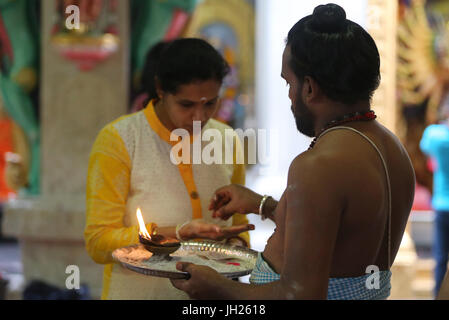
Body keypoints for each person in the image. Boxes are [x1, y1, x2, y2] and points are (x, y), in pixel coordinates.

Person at [171, 4, 416, 300]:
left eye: (289, 82)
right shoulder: (393, 150)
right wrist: (263, 205)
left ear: (309, 87)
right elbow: (335, 230)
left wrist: (215, 286)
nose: (289, 95)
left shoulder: (318, 165)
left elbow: (299, 296)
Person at [85, 38, 254, 300]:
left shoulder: (227, 139)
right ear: (161, 90)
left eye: (210, 103)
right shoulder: (120, 140)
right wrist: (173, 233)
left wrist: (235, 246)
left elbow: (239, 227)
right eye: (187, 105)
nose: (200, 117)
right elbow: (98, 243)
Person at [420, 102, 449, 298]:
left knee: (440, 258)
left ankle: (438, 295)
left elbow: (425, 148)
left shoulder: (435, 135)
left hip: (441, 204)